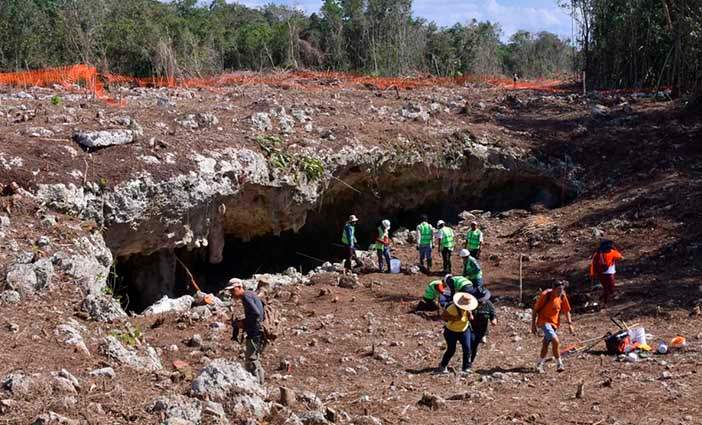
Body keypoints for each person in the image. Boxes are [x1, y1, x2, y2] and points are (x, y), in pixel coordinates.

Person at [227, 279, 266, 384]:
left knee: (251, 360)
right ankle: (260, 383)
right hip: (259, 331)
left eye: (233, 290)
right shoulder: (251, 294)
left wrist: (242, 323)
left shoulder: (246, 296)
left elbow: (256, 313)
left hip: (256, 332)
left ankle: (257, 386)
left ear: (240, 287)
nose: (231, 293)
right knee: (254, 358)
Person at [531, 280, 574, 373]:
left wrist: (570, 324)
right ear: (553, 289)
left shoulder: (562, 295)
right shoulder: (545, 295)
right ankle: (559, 364)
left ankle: (539, 364)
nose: (560, 292)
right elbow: (535, 310)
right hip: (543, 321)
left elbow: (566, 310)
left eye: (562, 289)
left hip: (554, 323)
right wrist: (533, 325)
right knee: (555, 341)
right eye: (558, 290)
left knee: (546, 344)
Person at [437, 292, 478, 374]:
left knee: (467, 348)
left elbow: (471, 318)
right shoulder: (452, 308)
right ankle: (443, 365)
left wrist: (470, 315)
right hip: (451, 331)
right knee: (451, 350)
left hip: (464, 330)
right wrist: (454, 318)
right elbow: (443, 316)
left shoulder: (468, 307)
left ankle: (466, 367)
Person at [589, 240, 624, 307]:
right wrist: (615, 250)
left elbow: (593, 264)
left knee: (606, 288)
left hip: (600, 273)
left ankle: (604, 301)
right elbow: (621, 257)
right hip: (609, 272)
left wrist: (592, 274)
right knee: (610, 288)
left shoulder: (597, 253)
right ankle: (605, 301)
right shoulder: (612, 252)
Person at [470, 297, 497, 364]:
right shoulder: (471, 303)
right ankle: (468, 363)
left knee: (474, 345)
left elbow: (493, 314)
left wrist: (493, 320)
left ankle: (470, 361)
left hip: (482, 330)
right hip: (470, 328)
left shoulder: (488, 304)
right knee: (470, 345)